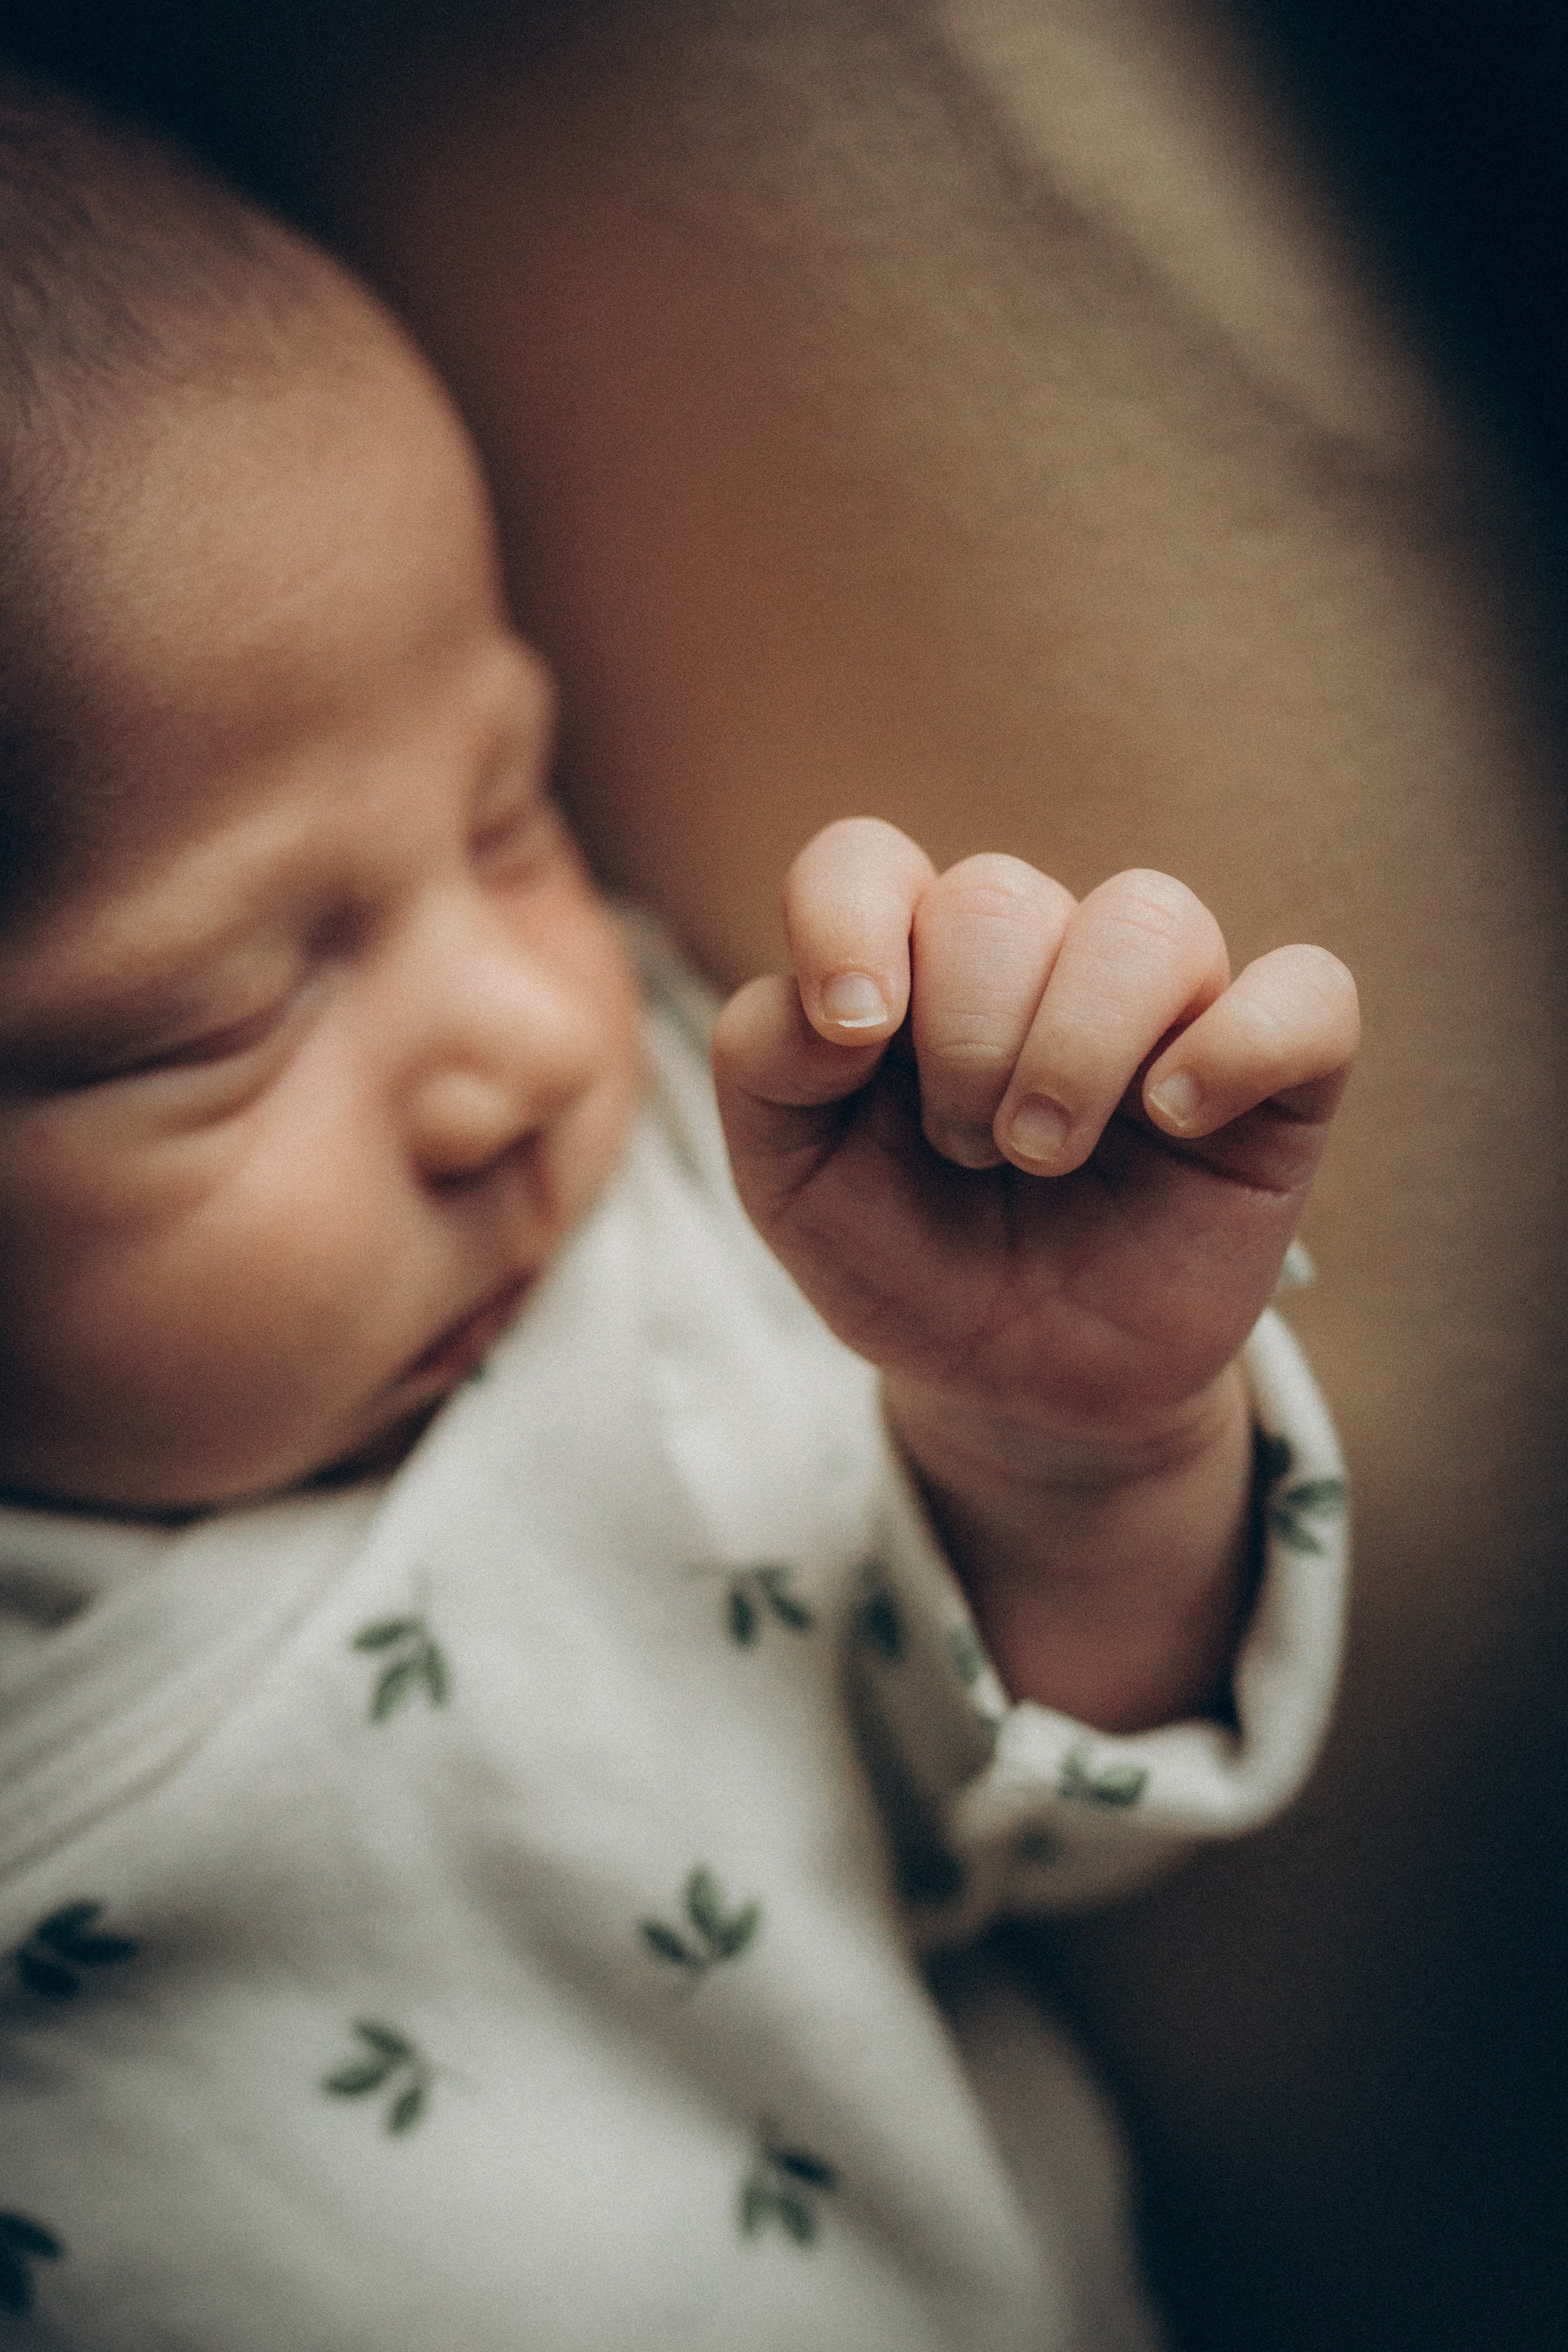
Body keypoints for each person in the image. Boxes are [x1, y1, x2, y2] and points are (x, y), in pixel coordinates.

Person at [0, 75, 1360, 2349]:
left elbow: (1055, 1796)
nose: (525, 1039)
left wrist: (1067, 1439)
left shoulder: (672, 1223)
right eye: (216, 1019)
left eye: (513, 810)